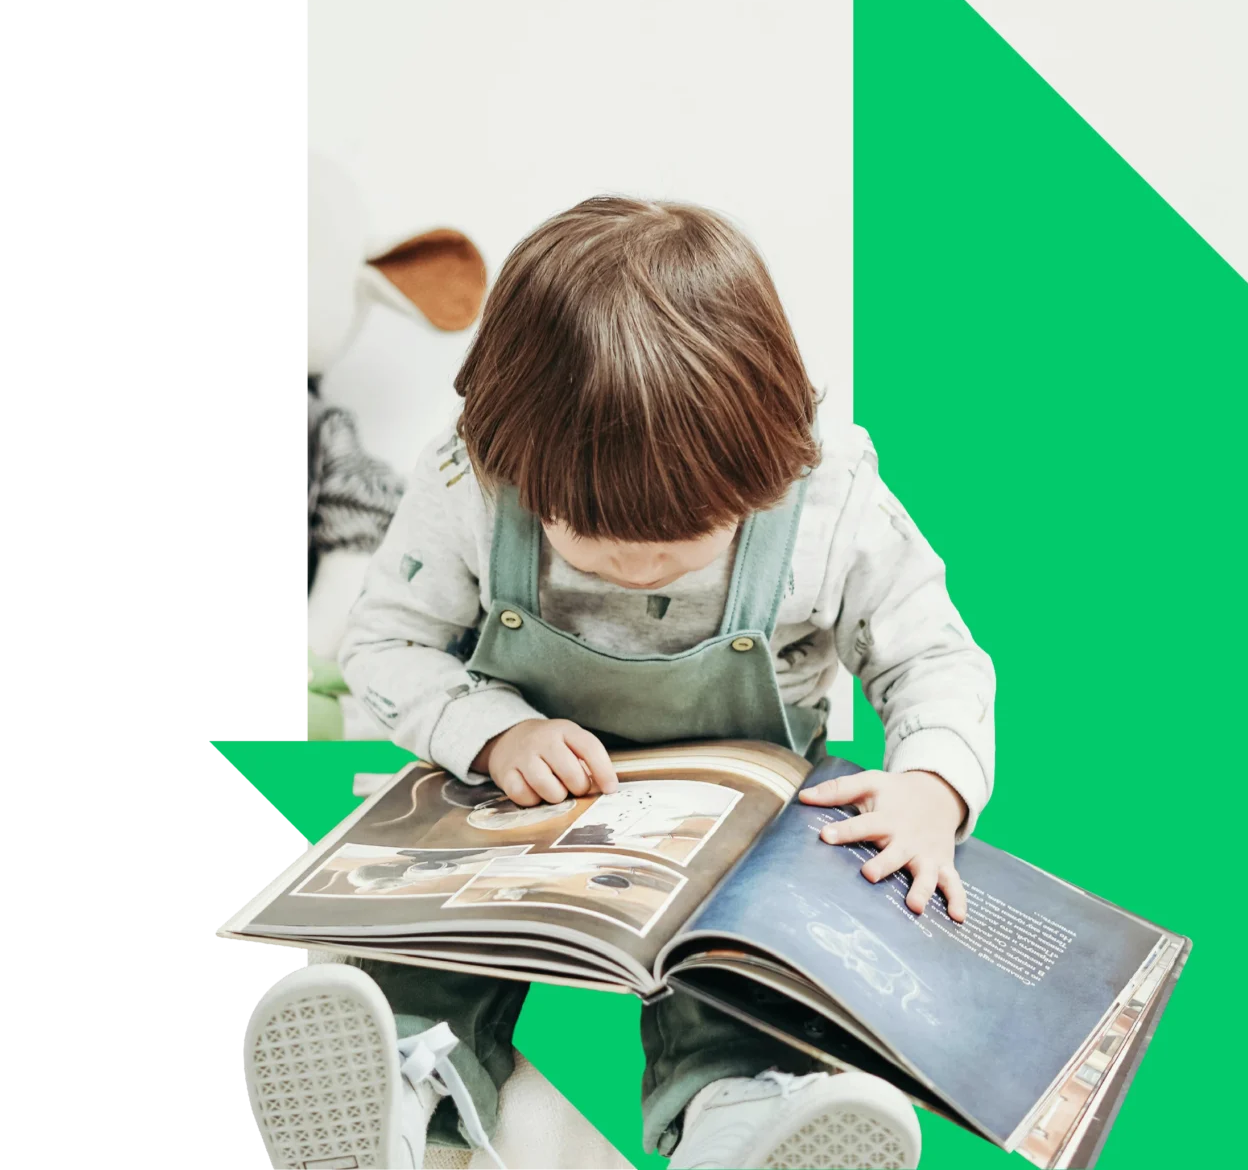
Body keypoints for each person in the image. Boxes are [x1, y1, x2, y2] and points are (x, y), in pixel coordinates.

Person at [252, 196, 996, 1170]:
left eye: (676, 549)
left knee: (742, 977)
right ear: (499, 455)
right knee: (426, 947)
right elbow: (383, 645)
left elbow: (931, 655)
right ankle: (392, 1084)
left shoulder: (828, 499)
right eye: (592, 546)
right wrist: (489, 732)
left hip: (741, 830)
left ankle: (747, 1116)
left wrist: (930, 785)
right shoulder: (465, 485)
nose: (637, 571)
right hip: (513, 808)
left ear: (769, 464)